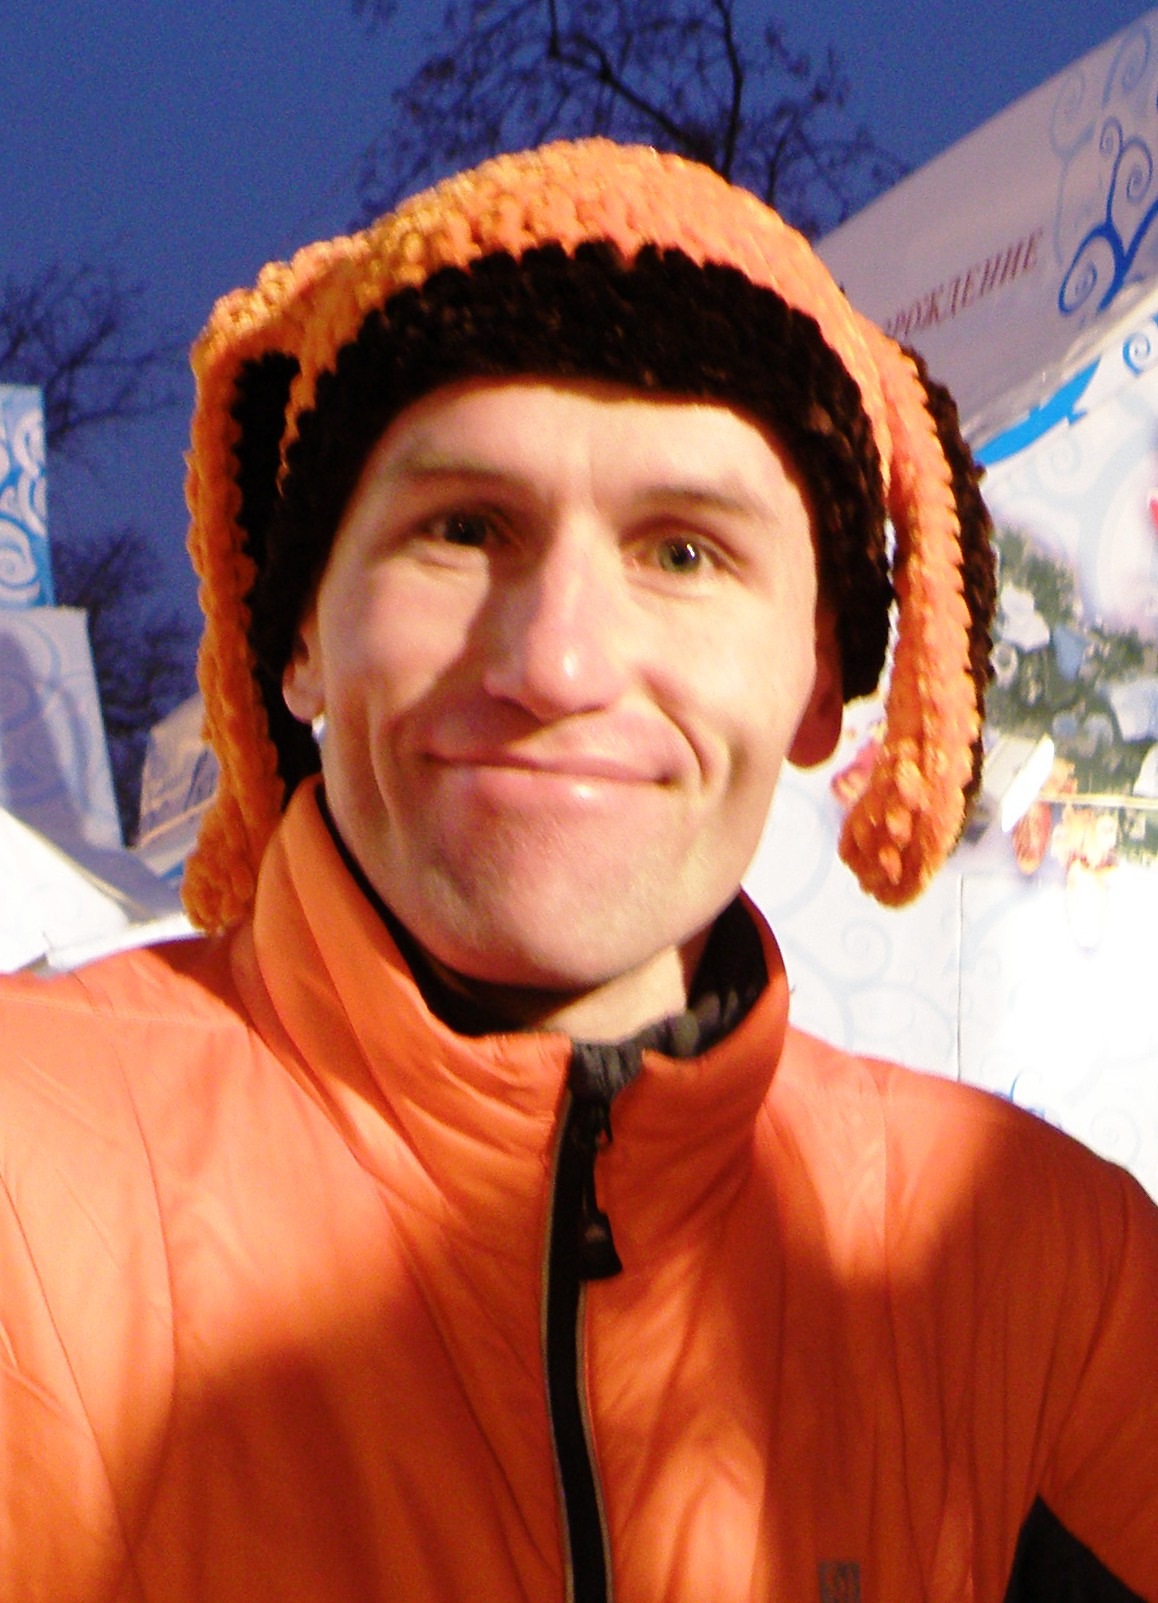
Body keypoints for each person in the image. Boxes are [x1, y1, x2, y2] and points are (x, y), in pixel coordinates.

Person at [1, 139, 1156, 1603]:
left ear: (822, 677)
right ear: (301, 634)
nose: (555, 662)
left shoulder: (1038, 1274)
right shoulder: (27, 1171)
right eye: (461, 530)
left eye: (684, 554)